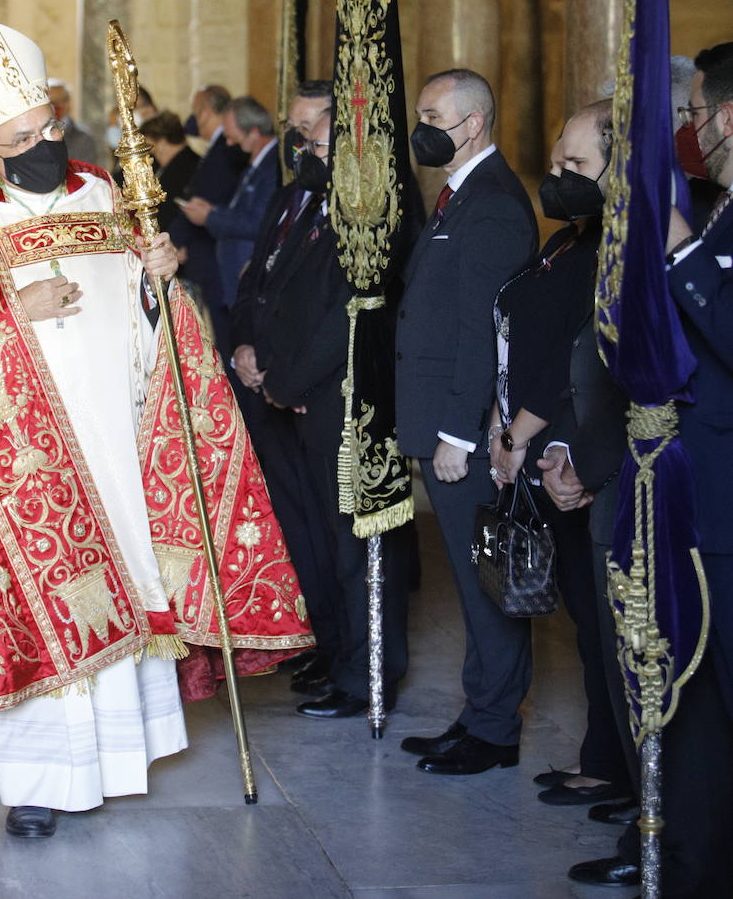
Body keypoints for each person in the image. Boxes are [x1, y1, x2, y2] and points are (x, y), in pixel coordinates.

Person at [0, 17, 312, 840]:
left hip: (116, 429)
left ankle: (117, 759)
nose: (45, 141)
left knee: (126, 583)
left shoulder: (102, 192)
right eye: (24, 135)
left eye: (48, 125)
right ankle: (37, 782)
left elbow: (151, 317)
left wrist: (157, 282)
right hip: (27, 457)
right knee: (46, 602)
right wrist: (13, 310)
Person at [576, 43, 733, 898]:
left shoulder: (707, 221)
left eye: (698, 114)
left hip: (722, 500)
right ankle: (688, 867)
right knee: (690, 703)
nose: (693, 132)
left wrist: (676, 253)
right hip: (687, 493)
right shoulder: (720, 209)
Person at [489, 101, 634, 814]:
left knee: (609, 623)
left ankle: (622, 772)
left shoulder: (617, 249)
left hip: (579, 452)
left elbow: (574, 364)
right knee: (586, 619)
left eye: (577, 166)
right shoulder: (569, 241)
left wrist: (519, 438)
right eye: (555, 162)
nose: (557, 178)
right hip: (548, 449)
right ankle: (602, 760)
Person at [396, 68, 537, 774]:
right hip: (442, 422)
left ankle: (494, 731)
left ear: (472, 123)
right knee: (469, 576)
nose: (420, 125)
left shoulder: (492, 205)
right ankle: (477, 714)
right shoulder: (461, 195)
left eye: (431, 114)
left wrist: (457, 431)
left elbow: (486, 329)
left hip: (464, 434)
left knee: (487, 586)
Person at [259, 103, 411, 718]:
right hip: (306, 400)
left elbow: (343, 316)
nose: (308, 158)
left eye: (320, 151)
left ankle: (366, 675)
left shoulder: (371, 220)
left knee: (359, 552)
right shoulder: (320, 209)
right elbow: (277, 291)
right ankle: (343, 659)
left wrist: (287, 377)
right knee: (328, 544)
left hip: (346, 405)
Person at [231, 80, 337, 689]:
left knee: (325, 528)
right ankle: (310, 632)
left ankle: (339, 645)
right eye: (293, 132)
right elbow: (254, 280)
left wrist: (281, 376)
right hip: (264, 378)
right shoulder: (289, 197)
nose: (299, 145)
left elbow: (330, 312)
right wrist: (244, 347)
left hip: (303, 388)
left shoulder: (350, 206)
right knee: (290, 520)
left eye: (309, 132)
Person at [178, 96, 279, 313]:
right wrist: (212, 210)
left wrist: (210, 217)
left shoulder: (272, 167)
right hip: (234, 277)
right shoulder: (254, 163)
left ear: (253, 132)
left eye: (233, 136)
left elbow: (259, 221)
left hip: (249, 272)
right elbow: (240, 210)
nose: (229, 142)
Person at [168, 85, 246, 355]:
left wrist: (174, 242)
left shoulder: (225, 150)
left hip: (214, 257)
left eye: (197, 112)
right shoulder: (217, 149)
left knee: (223, 342)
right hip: (207, 254)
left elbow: (210, 200)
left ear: (206, 112)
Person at [138, 110, 201, 231]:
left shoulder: (184, 167)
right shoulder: (181, 163)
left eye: (152, 151)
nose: (152, 157)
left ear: (162, 143)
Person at [47, 79, 98, 164]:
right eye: (52, 102)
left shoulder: (83, 138)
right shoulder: (35, 135)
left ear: (68, 103)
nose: (57, 106)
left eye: (61, 101)